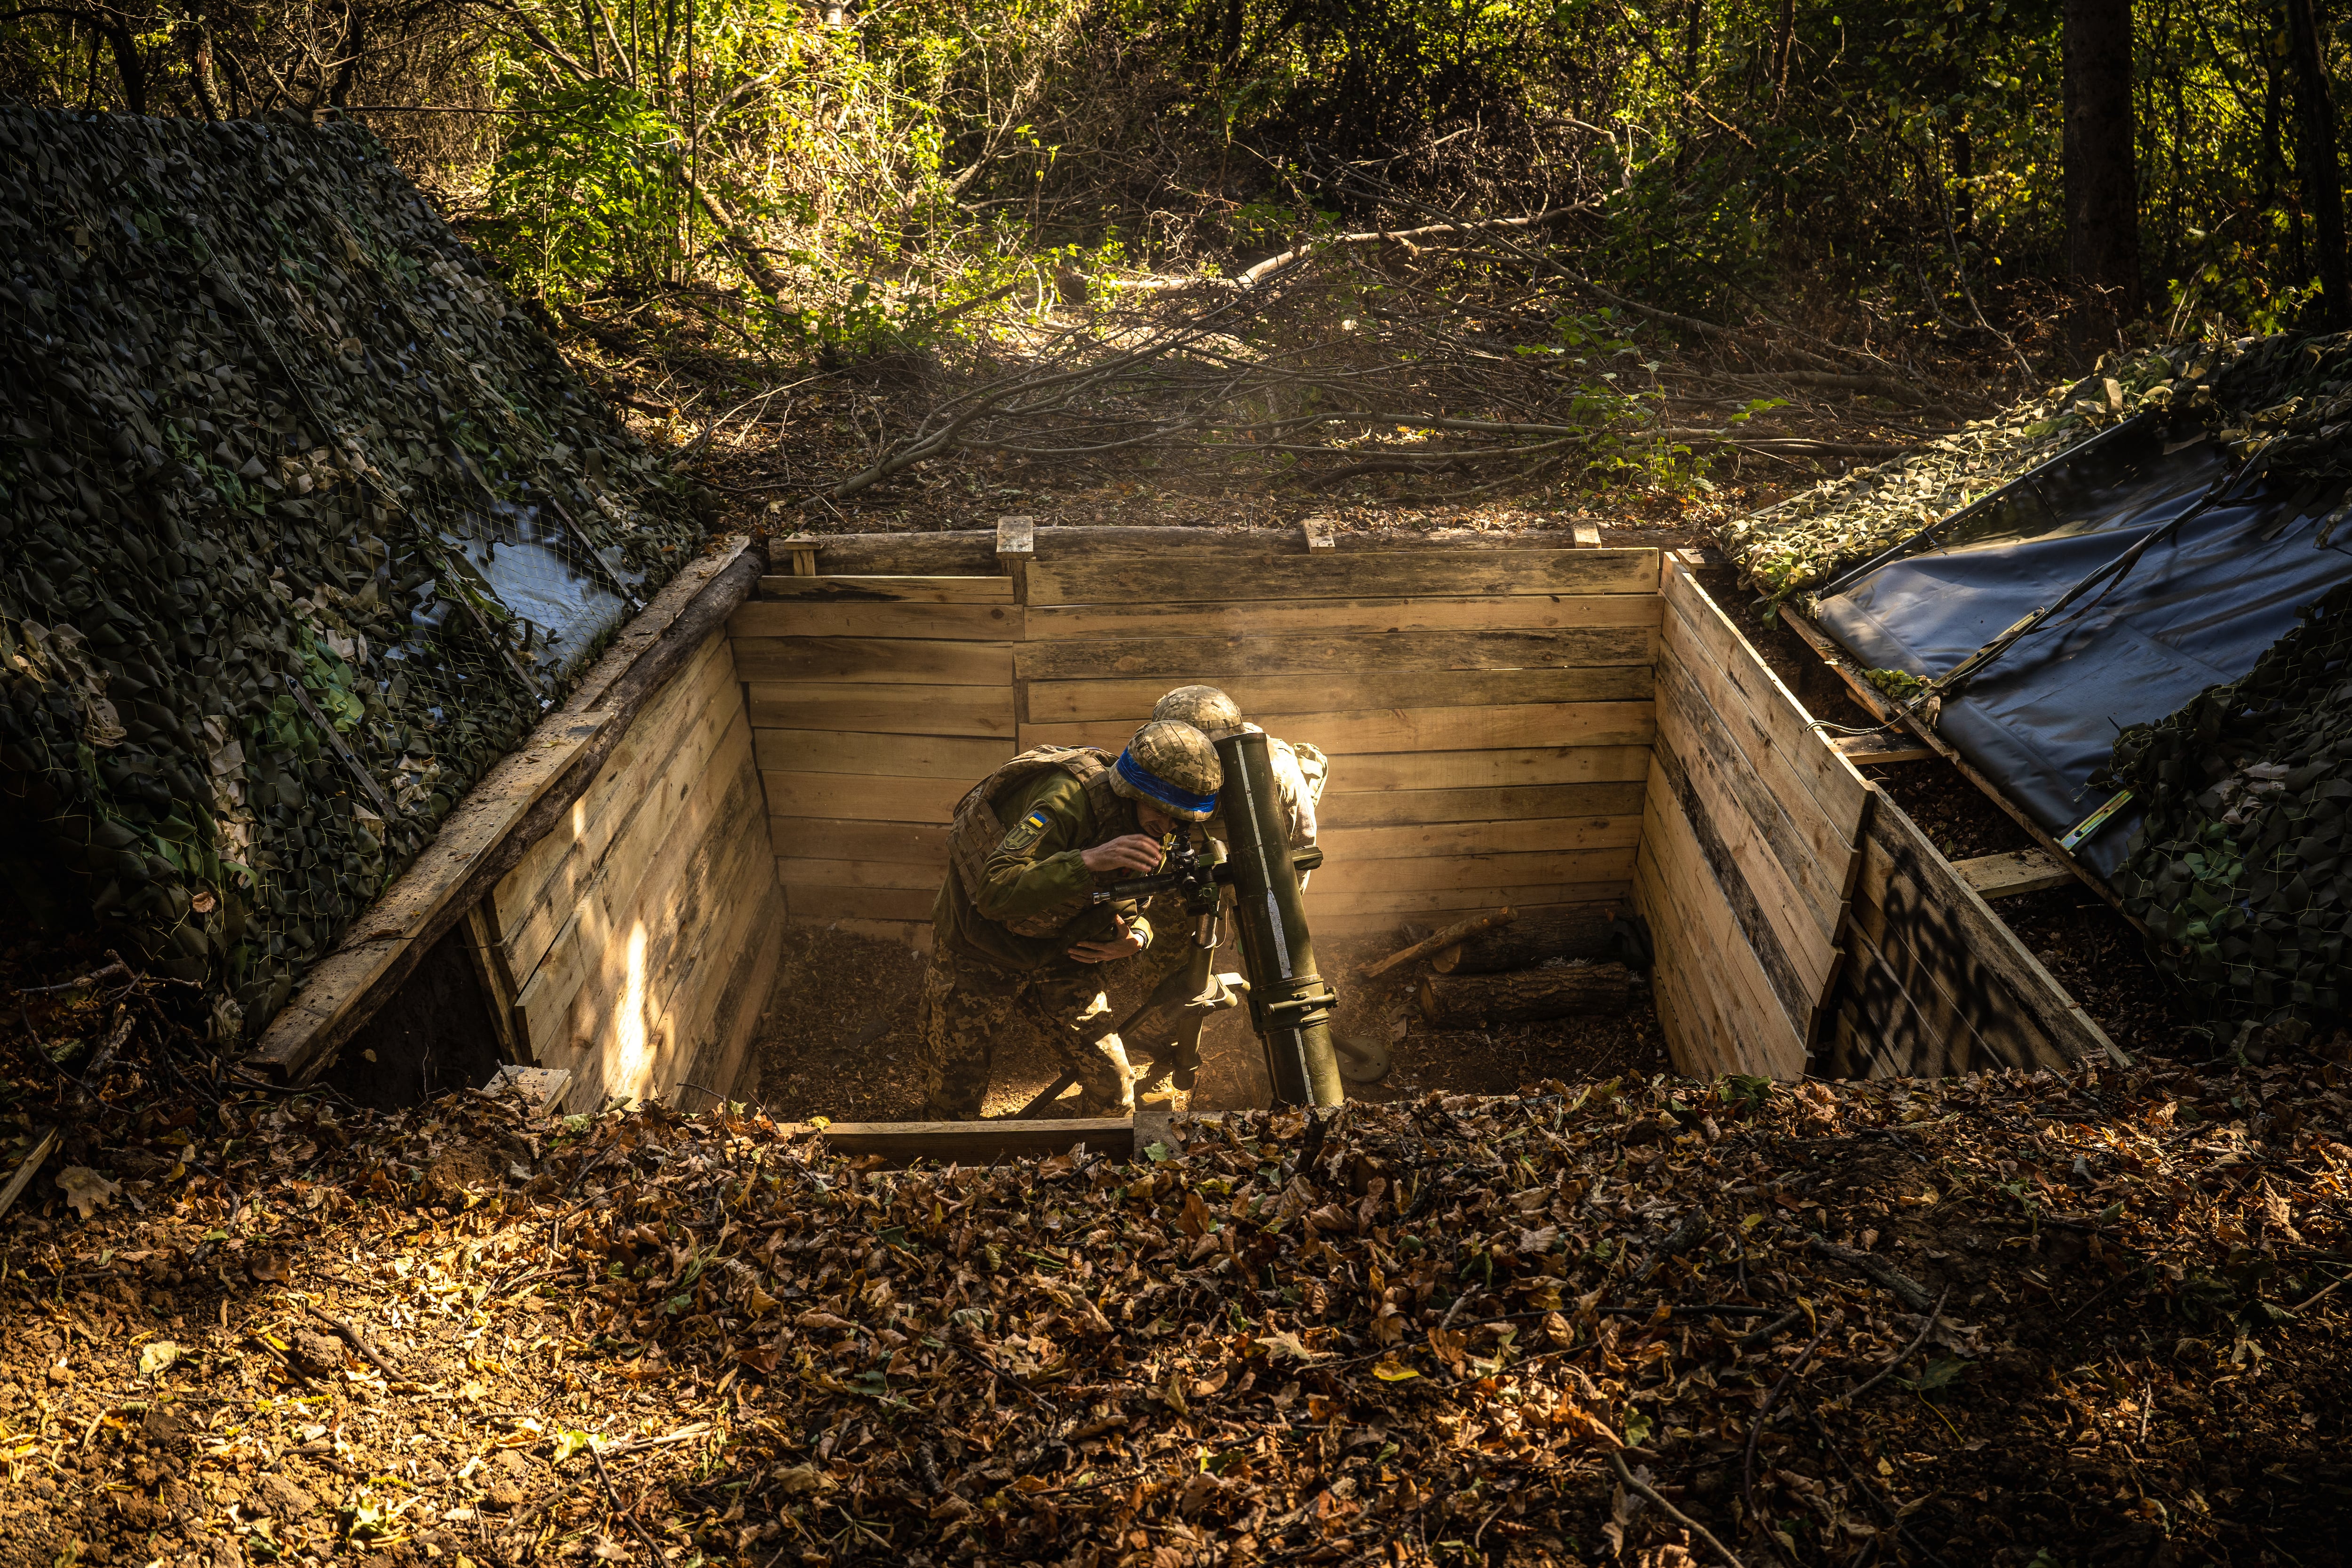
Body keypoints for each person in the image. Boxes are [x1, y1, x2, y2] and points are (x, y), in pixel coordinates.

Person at [917, 719, 1224, 1119]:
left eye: (1180, 819)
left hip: (1060, 954)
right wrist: (1090, 860)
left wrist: (1137, 938)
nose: (1167, 827)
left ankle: (1079, 1169)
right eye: (1162, 812)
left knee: (1113, 1090)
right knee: (952, 1107)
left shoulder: (1157, 827)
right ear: (1134, 789)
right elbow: (994, 891)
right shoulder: (1067, 800)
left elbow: (1141, 906)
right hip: (980, 946)